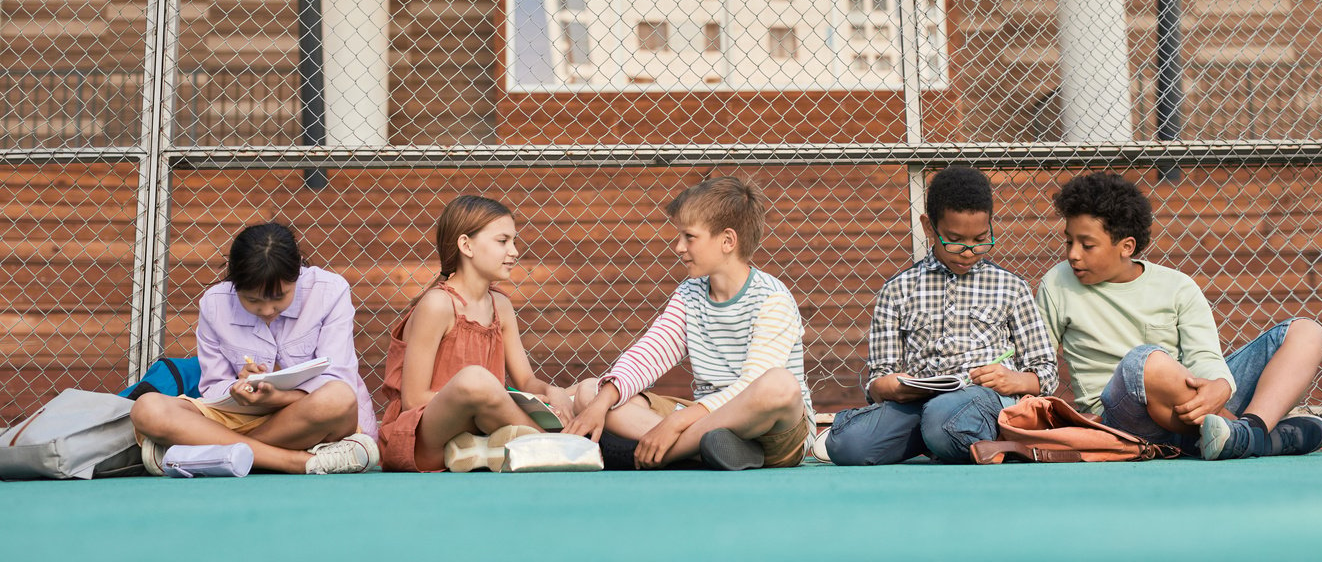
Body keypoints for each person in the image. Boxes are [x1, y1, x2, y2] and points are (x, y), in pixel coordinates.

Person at [1037, 171, 1322, 460]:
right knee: (1144, 361)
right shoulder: (1057, 283)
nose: (1074, 254)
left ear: (1127, 246)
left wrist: (1220, 385)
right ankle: (1257, 439)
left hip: (1188, 408)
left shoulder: (1177, 286)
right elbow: (1040, 363)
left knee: (1307, 332)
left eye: (1087, 245)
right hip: (1120, 420)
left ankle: (1248, 432)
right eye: (1069, 242)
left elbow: (1203, 355)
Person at [564, 176, 814, 471]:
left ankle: (659, 454)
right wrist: (601, 402)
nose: (679, 247)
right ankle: (706, 449)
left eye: (689, 237)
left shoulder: (772, 299)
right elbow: (650, 353)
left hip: (773, 433)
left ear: (727, 241)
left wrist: (676, 422)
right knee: (589, 393)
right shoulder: (689, 293)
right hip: (706, 422)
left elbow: (752, 385)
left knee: (779, 384)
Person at [816, 166, 1058, 465]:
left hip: (983, 399)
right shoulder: (898, 290)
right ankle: (953, 443)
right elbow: (879, 379)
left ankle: (952, 438)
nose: (969, 252)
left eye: (981, 239)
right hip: (920, 403)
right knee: (847, 446)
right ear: (929, 228)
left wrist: (1015, 380)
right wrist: (891, 386)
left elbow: (1046, 371)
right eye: (955, 240)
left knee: (943, 420)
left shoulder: (1012, 287)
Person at [130, 222, 379, 475]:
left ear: (297, 272)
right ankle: (299, 462)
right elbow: (212, 387)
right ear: (234, 283)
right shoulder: (214, 304)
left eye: (280, 296)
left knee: (339, 397)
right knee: (147, 407)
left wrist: (278, 398)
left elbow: (339, 378)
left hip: (306, 419)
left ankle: (206, 453)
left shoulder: (330, 291)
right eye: (252, 300)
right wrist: (238, 388)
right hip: (240, 419)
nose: (268, 310)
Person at [378, 194, 574, 472]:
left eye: (514, 241)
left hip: (481, 424)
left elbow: (526, 380)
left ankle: (482, 450)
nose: (515, 251)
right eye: (503, 241)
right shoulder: (437, 304)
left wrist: (552, 392)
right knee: (476, 381)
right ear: (466, 245)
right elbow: (413, 399)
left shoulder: (501, 306)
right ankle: (556, 446)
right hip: (424, 439)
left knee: (587, 390)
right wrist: (492, 399)